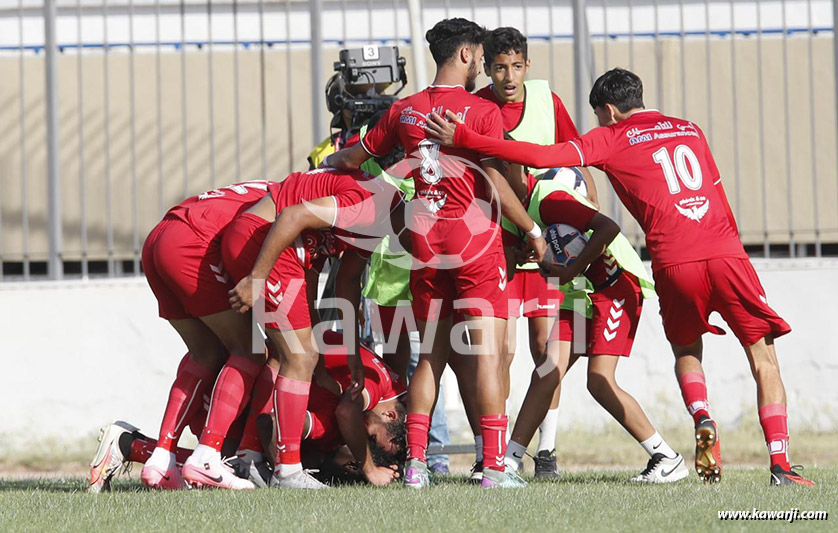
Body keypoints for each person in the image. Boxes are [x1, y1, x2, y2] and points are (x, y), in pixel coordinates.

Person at [424, 67, 815, 487]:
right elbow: (716, 194)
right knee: (764, 358)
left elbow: (540, 157)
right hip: (724, 251)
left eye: (597, 117)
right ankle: (780, 463)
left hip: (667, 262)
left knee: (683, 351)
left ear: (608, 111)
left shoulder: (611, 138)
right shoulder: (689, 129)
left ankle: (699, 417)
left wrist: (463, 138)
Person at [323, 17, 547, 489]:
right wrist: (531, 228)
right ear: (465, 55)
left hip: (425, 248)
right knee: (486, 355)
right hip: (475, 247)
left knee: (428, 357)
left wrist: (325, 170)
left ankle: (418, 466)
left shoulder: (404, 111)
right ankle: (493, 467)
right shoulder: (481, 111)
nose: (484, 68)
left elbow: (352, 157)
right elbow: (495, 183)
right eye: (482, 59)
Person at [87, 181, 277, 493]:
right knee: (251, 350)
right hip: (193, 242)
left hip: (160, 237)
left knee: (206, 354)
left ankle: (161, 459)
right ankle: (208, 456)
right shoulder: (304, 199)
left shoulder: (278, 186)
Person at [500, 174, 687, 483]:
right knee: (547, 370)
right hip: (580, 291)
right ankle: (509, 463)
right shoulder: (514, 206)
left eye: (496, 169)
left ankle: (667, 458)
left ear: (515, 168)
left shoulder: (549, 197)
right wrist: (526, 256)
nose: (492, 178)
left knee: (599, 380)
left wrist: (572, 267)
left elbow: (608, 227)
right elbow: (547, 256)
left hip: (615, 285)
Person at [224, 167, 403, 489]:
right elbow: (292, 216)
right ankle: (287, 470)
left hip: (275, 246)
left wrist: (349, 356)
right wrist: (258, 277)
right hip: (264, 240)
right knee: (298, 356)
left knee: (283, 354)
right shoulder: (373, 206)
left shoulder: (380, 227)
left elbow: (345, 283)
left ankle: (244, 454)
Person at [472, 26, 598, 479]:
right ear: (487, 68)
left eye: (517, 66)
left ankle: (546, 450)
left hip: (551, 240)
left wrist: (589, 213)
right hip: (501, 243)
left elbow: (576, 162)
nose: (509, 76)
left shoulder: (548, 102)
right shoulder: (477, 107)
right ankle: (496, 452)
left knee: (548, 348)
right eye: (500, 67)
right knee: (500, 353)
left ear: (528, 65)